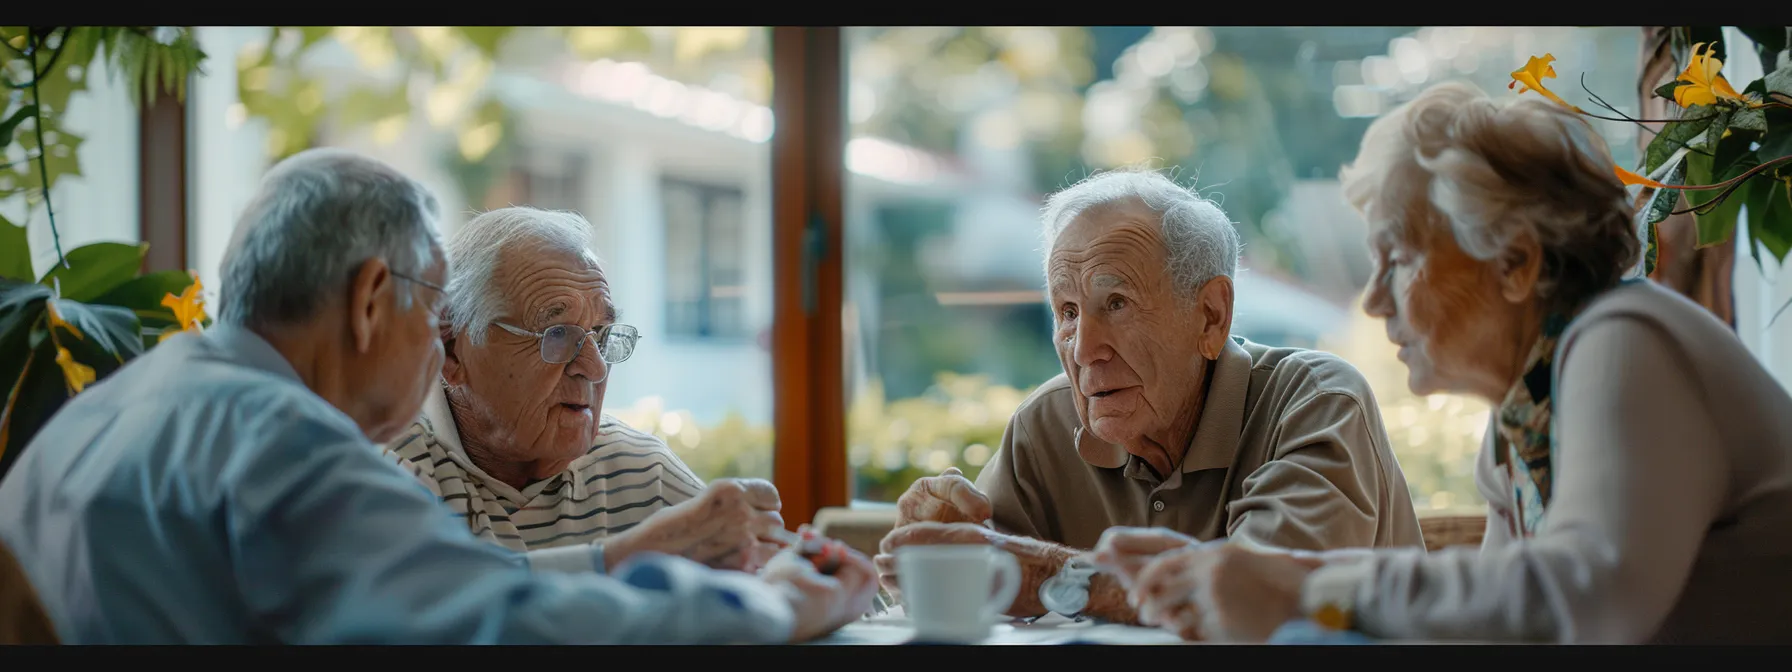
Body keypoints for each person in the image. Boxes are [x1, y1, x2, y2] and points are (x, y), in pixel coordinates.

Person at [0, 148, 875, 644]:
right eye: (431, 308)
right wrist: (775, 604)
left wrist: (622, 558)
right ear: (373, 300)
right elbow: (509, 627)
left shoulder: (107, 413)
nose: (435, 346)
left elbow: (446, 589)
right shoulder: (281, 446)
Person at [1094, 81, 1792, 644]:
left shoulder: (1626, 343)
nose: (1372, 301)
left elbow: (1586, 600)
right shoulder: (1525, 416)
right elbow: (1493, 631)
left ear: (1515, 261)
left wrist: (1303, 587)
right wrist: (1238, 574)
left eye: (1397, 259)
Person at [876, 169, 1424, 625]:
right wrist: (936, 553)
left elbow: (1262, 603)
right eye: (1067, 312)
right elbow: (983, 584)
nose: (1085, 348)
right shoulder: (1046, 425)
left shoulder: (1315, 402)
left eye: (1116, 303)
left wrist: (1051, 576)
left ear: (1211, 316)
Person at [384, 206, 781, 573]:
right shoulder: (387, 469)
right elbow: (436, 613)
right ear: (452, 350)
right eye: (556, 334)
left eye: (601, 335)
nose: (594, 367)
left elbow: (766, 587)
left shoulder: (641, 472)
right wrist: (627, 555)